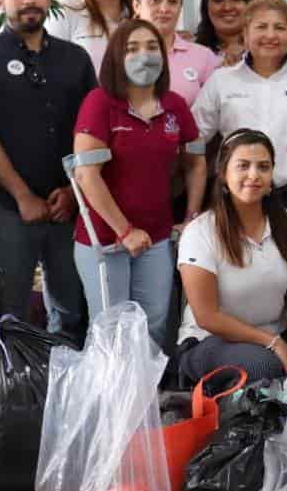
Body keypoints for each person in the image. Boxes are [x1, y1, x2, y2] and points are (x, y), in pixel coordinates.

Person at [0, 0, 94, 343]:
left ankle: (63, 391)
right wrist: (22, 195)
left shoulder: (75, 59)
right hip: (8, 206)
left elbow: (91, 135)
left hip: (68, 205)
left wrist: (74, 191)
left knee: (72, 309)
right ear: (0, 0)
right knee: (9, 313)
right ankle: (12, 395)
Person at [71, 19, 206, 349]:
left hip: (157, 236)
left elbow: (197, 160)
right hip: (106, 238)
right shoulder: (100, 103)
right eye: (132, 48)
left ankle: (149, 399)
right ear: (116, 58)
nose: (143, 55)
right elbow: (87, 175)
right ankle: (111, 401)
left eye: (151, 47)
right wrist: (124, 230)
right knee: (113, 333)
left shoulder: (173, 104)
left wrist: (191, 217)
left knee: (154, 323)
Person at [189, 0, 287, 261]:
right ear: (246, 33)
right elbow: (193, 140)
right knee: (242, 280)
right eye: (261, 27)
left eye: (280, 28)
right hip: (239, 202)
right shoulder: (221, 81)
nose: (270, 35)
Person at [177, 129, 287, 383]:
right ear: (223, 174)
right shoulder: (200, 232)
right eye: (243, 166)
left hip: (273, 336)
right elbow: (207, 317)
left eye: (263, 167)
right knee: (265, 369)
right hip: (209, 342)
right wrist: (273, 344)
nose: (254, 175)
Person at [133, 0, 220, 106]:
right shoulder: (121, 54)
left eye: (173, 1)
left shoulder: (203, 57)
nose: (164, 8)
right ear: (137, 6)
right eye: (155, 0)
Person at [194, 0, 258, 66]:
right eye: (218, 0)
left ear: (251, 4)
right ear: (206, 7)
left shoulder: (267, 50)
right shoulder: (192, 53)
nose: (227, 7)